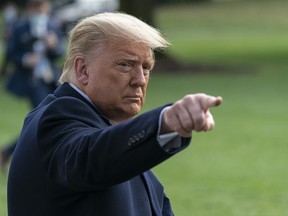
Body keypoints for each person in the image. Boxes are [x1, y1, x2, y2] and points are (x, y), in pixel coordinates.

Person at [8, 12, 223, 216]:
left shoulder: (113, 135)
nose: (140, 79)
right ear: (83, 70)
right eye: (125, 65)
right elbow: (91, 155)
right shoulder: (57, 116)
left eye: (146, 68)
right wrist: (165, 122)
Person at [1, 0, 64, 171]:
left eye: (42, 6)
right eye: (35, 6)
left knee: (45, 121)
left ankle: (7, 151)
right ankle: (33, 161)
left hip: (50, 79)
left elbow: (60, 52)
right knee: (44, 118)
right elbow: (11, 53)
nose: (39, 10)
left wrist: (55, 45)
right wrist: (25, 59)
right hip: (30, 81)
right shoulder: (20, 27)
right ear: (29, 8)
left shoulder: (52, 24)